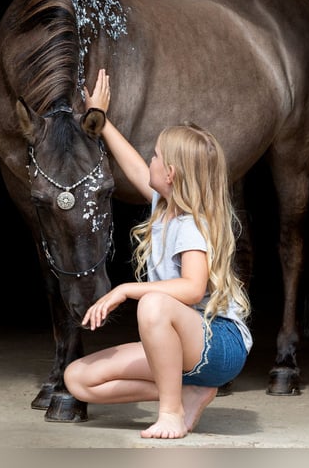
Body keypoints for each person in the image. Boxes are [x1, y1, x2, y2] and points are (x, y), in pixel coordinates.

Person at [63, 68, 253, 439]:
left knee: (152, 304)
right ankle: (186, 393)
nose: (147, 161)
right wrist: (100, 119)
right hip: (182, 346)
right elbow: (133, 165)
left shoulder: (191, 224)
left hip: (220, 344)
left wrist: (125, 290)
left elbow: (192, 289)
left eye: (155, 156)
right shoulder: (164, 205)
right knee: (78, 380)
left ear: (170, 174)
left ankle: (170, 413)